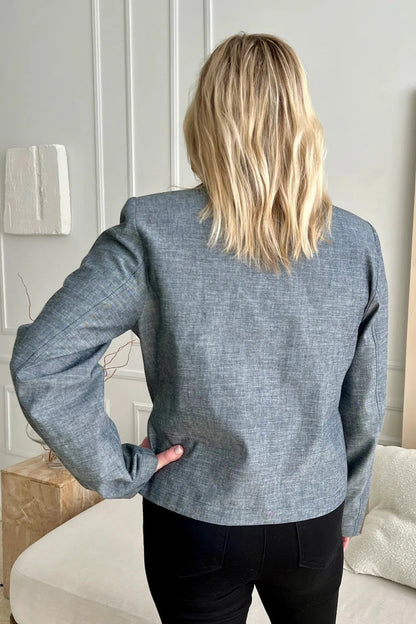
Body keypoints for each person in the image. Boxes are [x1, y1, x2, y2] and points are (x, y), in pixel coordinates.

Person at [9, 31, 388, 624]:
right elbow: (364, 403)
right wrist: (350, 508)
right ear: (302, 123)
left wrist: (119, 470)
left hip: (193, 520)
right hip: (311, 519)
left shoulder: (152, 232)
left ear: (205, 121)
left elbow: (42, 361)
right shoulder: (357, 244)